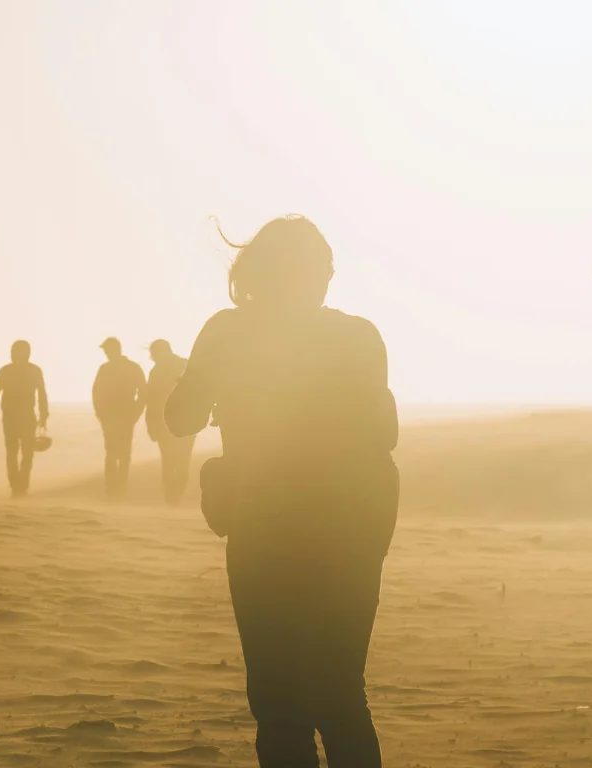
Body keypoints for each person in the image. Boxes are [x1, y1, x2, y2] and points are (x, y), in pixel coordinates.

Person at [165, 215, 399, 767]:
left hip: (265, 530)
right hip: (349, 533)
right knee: (340, 693)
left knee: (279, 701)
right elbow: (383, 434)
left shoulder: (229, 331)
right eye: (321, 269)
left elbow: (179, 419)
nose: (324, 279)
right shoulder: (358, 335)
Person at [0, 340, 49, 498]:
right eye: (13, 351)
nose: (14, 355)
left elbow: (41, 394)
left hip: (25, 417)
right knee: (13, 452)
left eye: (17, 351)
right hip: (12, 418)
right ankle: (16, 485)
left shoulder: (33, 371)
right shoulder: (7, 371)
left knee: (26, 453)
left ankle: (21, 486)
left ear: (26, 353)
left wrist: (44, 415)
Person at [92, 337, 146, 500]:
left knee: (120, 453)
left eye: (108, 350)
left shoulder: (130, 368)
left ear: (116, 349)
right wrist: (101, 412)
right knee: (114, 452)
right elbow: (96, 392)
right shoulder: (107, 368)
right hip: (112, 416)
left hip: (123, 415)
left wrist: (135, 414)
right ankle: (113, 489)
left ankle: (118, 489)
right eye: (105, 351)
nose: (107, 354)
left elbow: (143, 393)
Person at [145, 339, 196, 505]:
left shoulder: (157, 370)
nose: (151, 357)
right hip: (186, 422)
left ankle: (171, 498)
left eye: (152, 353)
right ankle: (174, 498)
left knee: (169, 461)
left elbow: (151, 399)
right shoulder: (185, 364)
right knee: (182, 462)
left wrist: (151, 425)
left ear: (159, 352)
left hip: (165, 423)